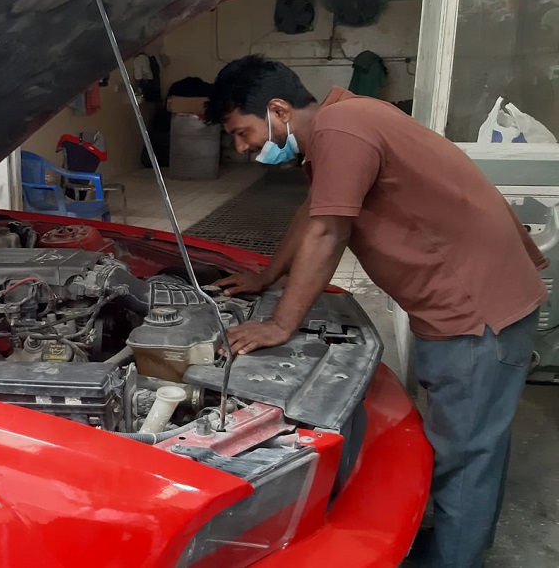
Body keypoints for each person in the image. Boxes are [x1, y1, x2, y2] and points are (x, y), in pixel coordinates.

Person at [206, 55, 548, 568]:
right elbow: (314, 213)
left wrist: (280, 324)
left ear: (278, 110)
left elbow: (328, 232)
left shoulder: (342, 129)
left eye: (241, 132)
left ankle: (455, 559)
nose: (241, 147)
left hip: (478, 311)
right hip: (471, 303)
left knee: (466, 456)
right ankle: (454, 545)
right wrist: (267, 276)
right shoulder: (343, 123)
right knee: (469, 448)